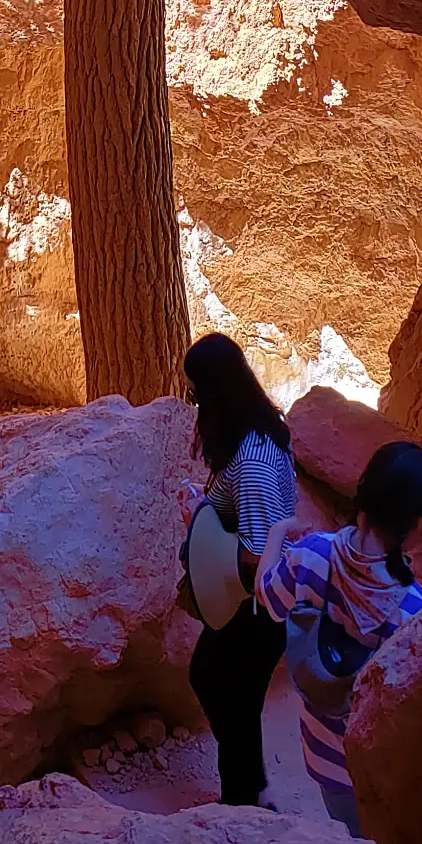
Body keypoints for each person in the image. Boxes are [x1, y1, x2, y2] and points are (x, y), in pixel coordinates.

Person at [258, 439, 422, 837]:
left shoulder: (311, 554)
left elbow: (268, 597)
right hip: (373, 766)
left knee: (346, 832)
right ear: (416, 527)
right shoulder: (415, 608)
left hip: (321, 753)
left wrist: (278, 532)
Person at [183, 332, 297, 808]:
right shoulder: (260, 428)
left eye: (196, 391)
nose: (193, 402)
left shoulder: (250, 461)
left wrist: (203, 538)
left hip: (252, 611)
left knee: (228, 695)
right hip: (252, 610)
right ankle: (250, 789)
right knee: (226, 693)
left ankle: (242, 807)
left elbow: (255, 557)